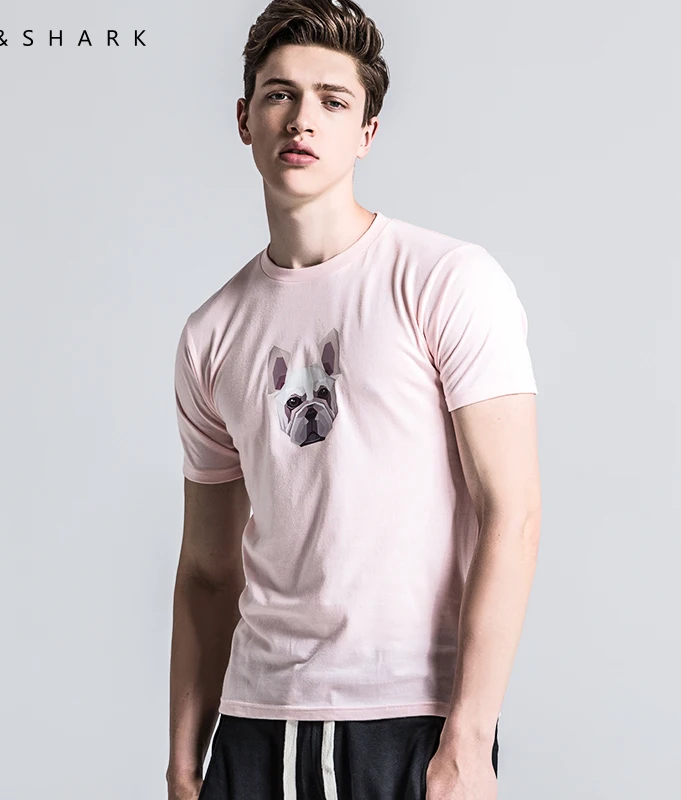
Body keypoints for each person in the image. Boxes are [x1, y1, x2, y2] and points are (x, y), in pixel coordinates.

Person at [166, 1, 541, 798]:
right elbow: (205, 569)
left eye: (332, 100)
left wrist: (468, 740)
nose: (302, 119)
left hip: (408, 716)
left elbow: (513, 514)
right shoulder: (212, 333)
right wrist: (183, 761)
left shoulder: (445, 281)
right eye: (279, 94)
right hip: (253, 724)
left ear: (366, 131)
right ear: (244, 118)